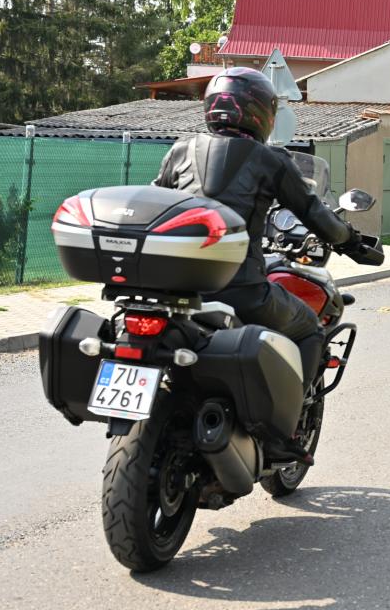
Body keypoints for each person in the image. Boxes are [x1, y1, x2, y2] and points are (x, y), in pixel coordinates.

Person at [154, 67, 362, 390]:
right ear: (262, 113)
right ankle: (289, 420)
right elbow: (314, 213)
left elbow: (156, 204)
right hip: (240, 290)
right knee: (309, 328)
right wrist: (350, 239)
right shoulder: (269, 159)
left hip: (175, 288)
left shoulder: (180, 150)